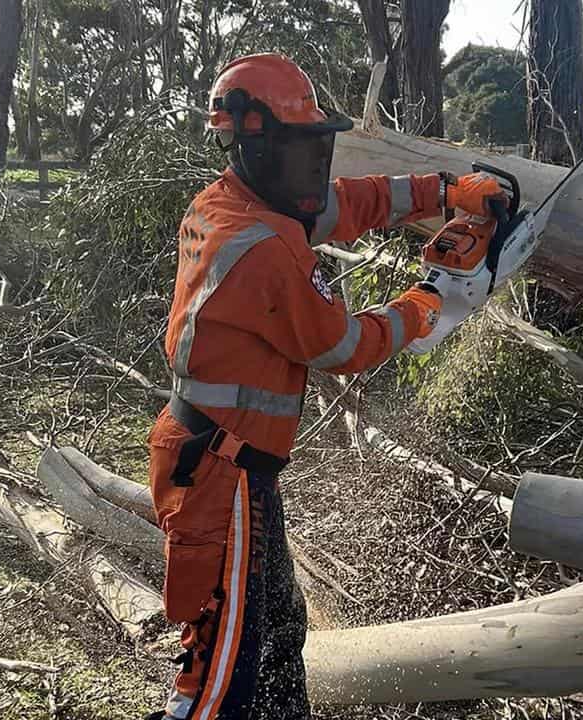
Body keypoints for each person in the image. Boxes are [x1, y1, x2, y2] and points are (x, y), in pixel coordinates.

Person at [146, 53, 506, 720]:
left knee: (278, 629)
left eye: (319, 149)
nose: (315, 168)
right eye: (301, 150)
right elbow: (340, 345)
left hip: (226, 463)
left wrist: (442, 191)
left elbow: (349, 203)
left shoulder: (235, 202)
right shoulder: (263, 246)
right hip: (222, 476)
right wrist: (433, 299)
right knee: (219, 676)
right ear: (252, 143)